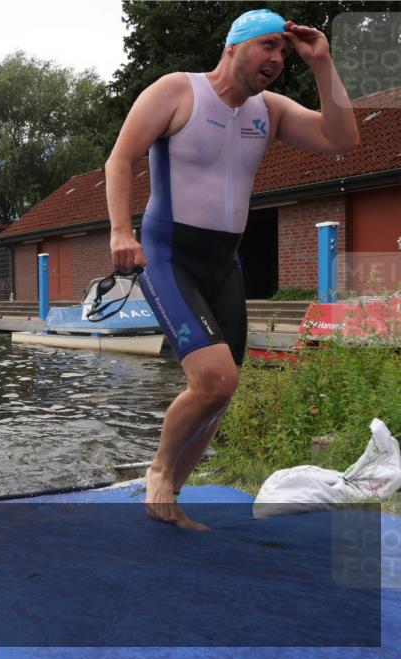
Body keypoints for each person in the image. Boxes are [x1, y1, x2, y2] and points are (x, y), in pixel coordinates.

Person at [105, 9, 360, 530]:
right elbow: (119, 159)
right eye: (268, 45)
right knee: (214, 379)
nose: (277, 59)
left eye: (283, 51)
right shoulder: (178, 91)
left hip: (224, 264)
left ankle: (171, 498)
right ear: (233, 47)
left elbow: (343, 139)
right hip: (168, 255)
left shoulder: (270, 110)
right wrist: (120, 231)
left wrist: (322, 64)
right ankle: (158, 471)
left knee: (222, 392)